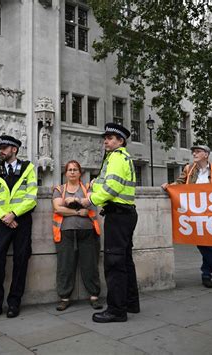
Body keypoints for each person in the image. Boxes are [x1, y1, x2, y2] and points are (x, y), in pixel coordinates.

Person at [79, 123, 139, 323]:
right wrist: (96, 183)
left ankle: (116, 310)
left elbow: (112, 187)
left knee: (114, 263)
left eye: (111, 137)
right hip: (126, 214)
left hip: (119, 215)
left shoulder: (116, 157)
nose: (106, 140)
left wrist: (90, 200)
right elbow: (110, 183)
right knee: (125, 261)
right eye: (105, 137)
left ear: (120, 141)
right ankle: (130, 302)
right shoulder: (121, 158)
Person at [0, 135, 38, 321]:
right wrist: (5, 217)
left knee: (21, 261)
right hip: (2, 221)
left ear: (14, 149)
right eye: (1, 147)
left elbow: (31, 198)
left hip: (22, 220)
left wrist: (14, 214)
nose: (1, 150)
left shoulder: (28, 168)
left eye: (5, 147)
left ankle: (14, 303)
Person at [162, 145, 212, 289]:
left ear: (206, 154)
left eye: (198, 151)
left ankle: (206, 274)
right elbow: (179, 183)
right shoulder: (188, 168)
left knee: (211, 242)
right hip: (194, 212)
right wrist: (169, 185)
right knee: (200, 240)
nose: (194, 153)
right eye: (194, 151)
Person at [52, 160, 102, 311]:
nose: (72, 172)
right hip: (65, 233)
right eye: (69, 170)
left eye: (75, 170)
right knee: (65, 266)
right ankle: (64, 298)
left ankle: (94, 296)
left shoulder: (88, 188)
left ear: (80, 173)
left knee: (90, 265)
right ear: (65, 173)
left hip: (88, 232)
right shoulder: (59, 189)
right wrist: (78, 211)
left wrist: (72, 201)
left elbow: (91, 204)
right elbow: (58, 209)